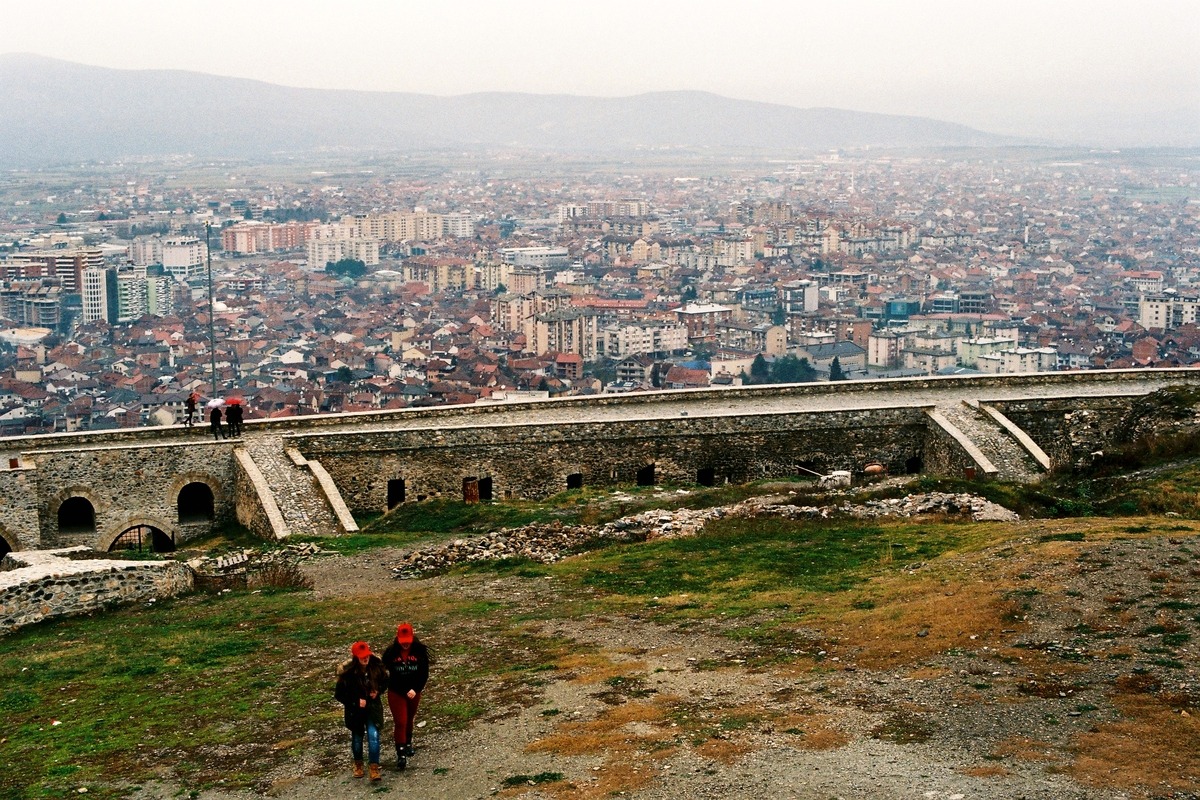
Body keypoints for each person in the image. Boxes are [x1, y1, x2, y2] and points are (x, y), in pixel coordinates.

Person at [334, 641, 388, 782]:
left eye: (367, 656)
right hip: (355, 712)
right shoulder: (347, 675)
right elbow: (339, 695)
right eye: (362, 656)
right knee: (357, 739)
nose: (365, 659)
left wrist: (378, 691)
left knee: (373, 736)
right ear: (356, 657)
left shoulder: (376, 668)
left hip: (372, 709)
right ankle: (358, 764)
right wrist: (355, 701)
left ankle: (374, 767)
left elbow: (385, 682)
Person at [382, 622, 429, 771]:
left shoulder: (419, 652)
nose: (405, 645)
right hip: (396, 691)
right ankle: (400, 753)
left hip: (414, 692)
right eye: (403, 642)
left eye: (408, 641)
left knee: (410, 718)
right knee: (400, 721)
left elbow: (424, 674)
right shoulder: (391, 653)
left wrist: (416, 689)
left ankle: (408, 742)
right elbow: (388, 675)